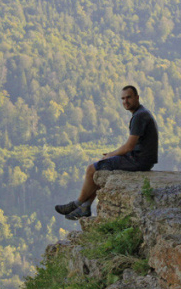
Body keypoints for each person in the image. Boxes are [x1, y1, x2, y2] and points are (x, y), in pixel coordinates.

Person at [55, 85, 159, 220]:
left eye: (128, 97)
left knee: (92, 169)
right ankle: (85, 207)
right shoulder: (141, 113)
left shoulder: (139, 116)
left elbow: (128, 146)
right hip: (142, 158)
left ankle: (77, 203)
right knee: (102, 169)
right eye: (122, 99)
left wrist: (111, 155)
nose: (125, 101)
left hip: (138, 160)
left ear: (137, 97)